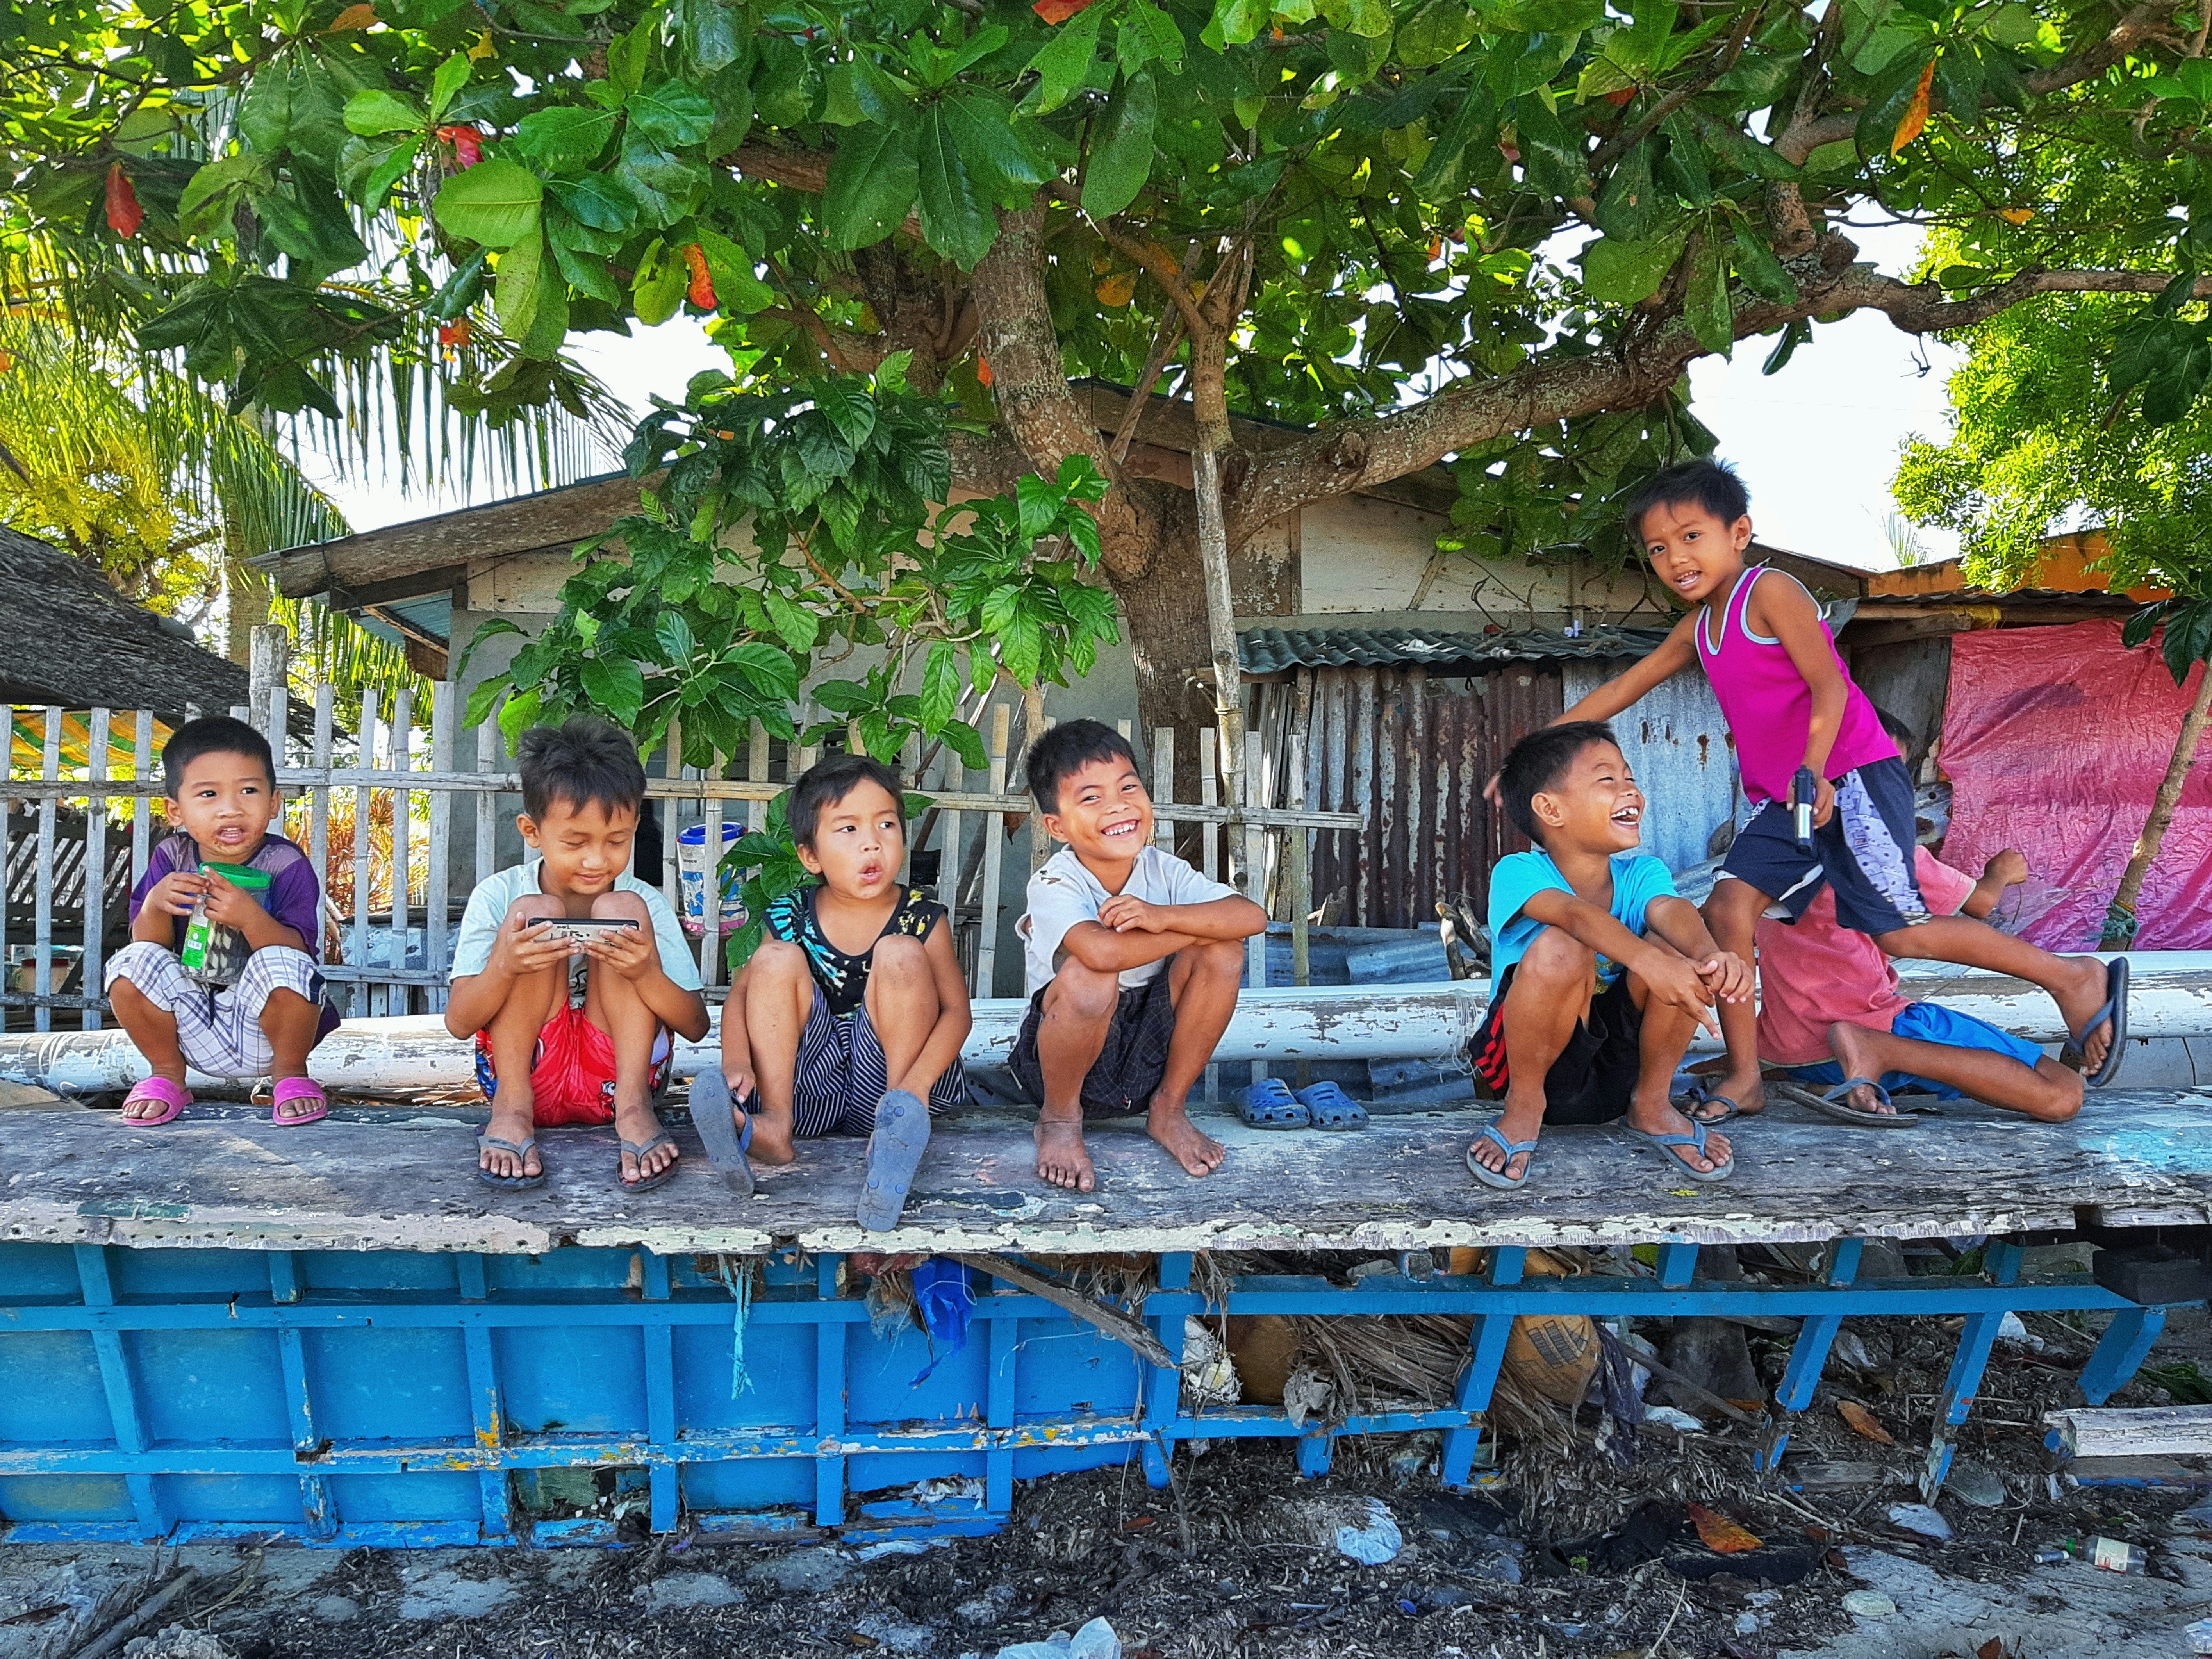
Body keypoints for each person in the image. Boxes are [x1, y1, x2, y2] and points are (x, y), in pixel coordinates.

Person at [1515, 457, 2126, 1118]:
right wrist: (1527, 757)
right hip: (1784, 799)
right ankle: (1747, 1076)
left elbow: (1828, 683)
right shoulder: (1698, 629)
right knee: (1726, 910)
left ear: (1738, 532)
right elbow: (1619, 689)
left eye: (1690, 536)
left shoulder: (1768, 591)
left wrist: (1815, 771)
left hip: (1850, 775)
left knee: (1896, 933)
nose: (1674, 557)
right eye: (1658, 548)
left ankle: (2071, 975)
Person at [1468, 722, 1750, 1188]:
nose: (1631, 792)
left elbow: (1670, 909)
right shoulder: (1517, 871)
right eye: (1607, 780)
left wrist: (1711, 957)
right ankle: (1523, 1109)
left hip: (1623, 1071)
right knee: (1562, 944)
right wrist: (1649, 962)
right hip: (1536, 1068)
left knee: (1679, 949)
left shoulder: (1643, 872)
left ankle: (1652, 1106)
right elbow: (1576, 916)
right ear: (1551, 809)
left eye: (1630, 778)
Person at [446, 718, 710, 1192]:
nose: (597, 861)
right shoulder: (499, 894)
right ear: (532, 831)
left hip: (620, 1082)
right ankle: (512, 1112)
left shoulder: (642, 902)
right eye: (575, 842)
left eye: (616, 841)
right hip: (523, 1075)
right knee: (533, 915)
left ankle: (633, 1111)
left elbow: (694, 1025)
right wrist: (506, 965)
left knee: (620, 910)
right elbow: (461, 1023)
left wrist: (646, 972)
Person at [714, 753, 973, 1231]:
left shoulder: (922, 916)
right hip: (811, 1092)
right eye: (848, 830)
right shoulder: (791, 913)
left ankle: (899, 1136)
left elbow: (958, 1013)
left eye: (886, 825)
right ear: (810, 855)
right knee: (774, 960)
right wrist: (736, 1063)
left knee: (900, 953)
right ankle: (773, 1125)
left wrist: (912, 1093)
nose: (872, 844)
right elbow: (739, 999)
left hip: (901, 1086)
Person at [1010, 719, 1265, 1193]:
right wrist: (1188, 928)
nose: (1119, 805)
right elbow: (1102, 953)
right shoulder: (1054, 883)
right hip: (1063, 1063)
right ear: (1057, 827)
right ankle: (1060, 1122)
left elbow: (1250, 917)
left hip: (1150, 1047)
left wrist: (1162, 916)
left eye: (1128, 787)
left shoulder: (1163, 871)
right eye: (1092, 798)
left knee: (1223, 952)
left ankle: (1168, 1110)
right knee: (1091, 977)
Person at [105, 715, 339, 1127]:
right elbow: (148, 948)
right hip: (188, 1025)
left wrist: (250, 918)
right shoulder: (171, 858)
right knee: (131, 964)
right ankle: (167, 1076)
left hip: (268, 1031)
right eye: (209, 794)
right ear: (176, 811)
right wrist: (156, 906)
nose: (231, 809)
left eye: (249, 790)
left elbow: (301, 956)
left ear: (273, 803)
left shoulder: (285, 864)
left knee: (283, 961)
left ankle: (290, 1077)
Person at [1760, 841, 2083, 1122]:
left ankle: (1856, 1070)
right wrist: (2000, 872)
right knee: (2062, 1093)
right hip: (1874, 1024)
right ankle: (1880, 1051)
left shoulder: (1761, 856)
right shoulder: (1879, 847)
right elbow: (1980, 903)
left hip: (1795, 1054)